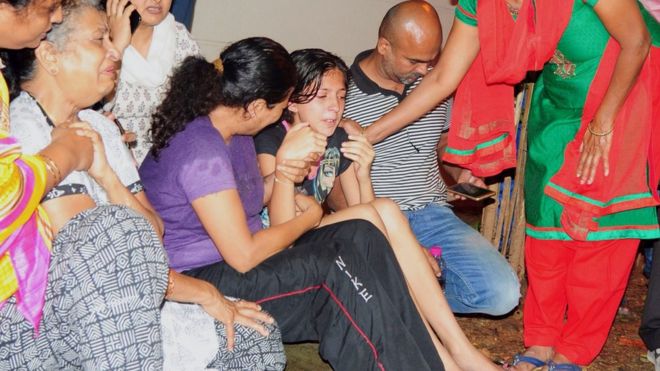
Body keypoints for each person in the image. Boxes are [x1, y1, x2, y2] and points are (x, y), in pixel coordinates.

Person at [137, 36, 503, 371]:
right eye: (280, 107)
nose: (281, 116)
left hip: (242, 259)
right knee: (334, 267)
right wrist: (308, 214)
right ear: (256, 106)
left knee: (361, 233)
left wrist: (283, 173)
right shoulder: (203, 150)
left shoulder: (234, 130)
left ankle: (445, 362)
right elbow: (243, 255)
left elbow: (248, 196)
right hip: (204, 277)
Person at [361, 0, 660, 369]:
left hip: (628, 91)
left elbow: (637, 40)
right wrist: (366, 135)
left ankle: (575, 350)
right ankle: (541, 340)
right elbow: (442, 78)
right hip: (561, 98)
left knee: (602, 228)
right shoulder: (479, 3)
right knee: (544, 215)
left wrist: (603, 122)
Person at [2, 1, 285, 369]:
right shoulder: (23, 131)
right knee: (114, 229)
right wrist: (204, 293)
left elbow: (153, 232)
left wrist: (105, 175)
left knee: (259, 339)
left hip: (142, 290)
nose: (114, 50)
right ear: (51, 56)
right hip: (59, 314)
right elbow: (105, 257)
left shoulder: (101, 127)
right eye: (99, 39)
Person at [255, 47, 504, 370]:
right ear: (292, 101)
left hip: (313, 236)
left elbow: (368, 226)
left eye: (342, 96)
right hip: (277, 247)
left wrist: (362, 171)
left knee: (384, 211)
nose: (334, 107)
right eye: (322, 96)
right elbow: (280, 232)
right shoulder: (273, 138)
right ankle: (455, 354)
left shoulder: (336, 138)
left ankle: (453, 352)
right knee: (385, 212)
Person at [339, 0, 520, 316]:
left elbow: (441, 145)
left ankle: (403, 300)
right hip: (376, 217)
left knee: (501, 294)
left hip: (434, 213)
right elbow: (334, 192)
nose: (424, 70)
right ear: (384, 46)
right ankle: (402, 294)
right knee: (391, 274)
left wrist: (461, 172)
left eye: (431, 61)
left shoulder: (433, 86)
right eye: (414, 61)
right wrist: (395, 237)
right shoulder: (343, 95)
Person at [110, 0, 200, 164]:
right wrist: (116, 46)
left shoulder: (180, 37)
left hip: (169, 161)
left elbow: (195, 111)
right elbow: (94, 107)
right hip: (110, 160)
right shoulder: (96, 37)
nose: (157, 0)